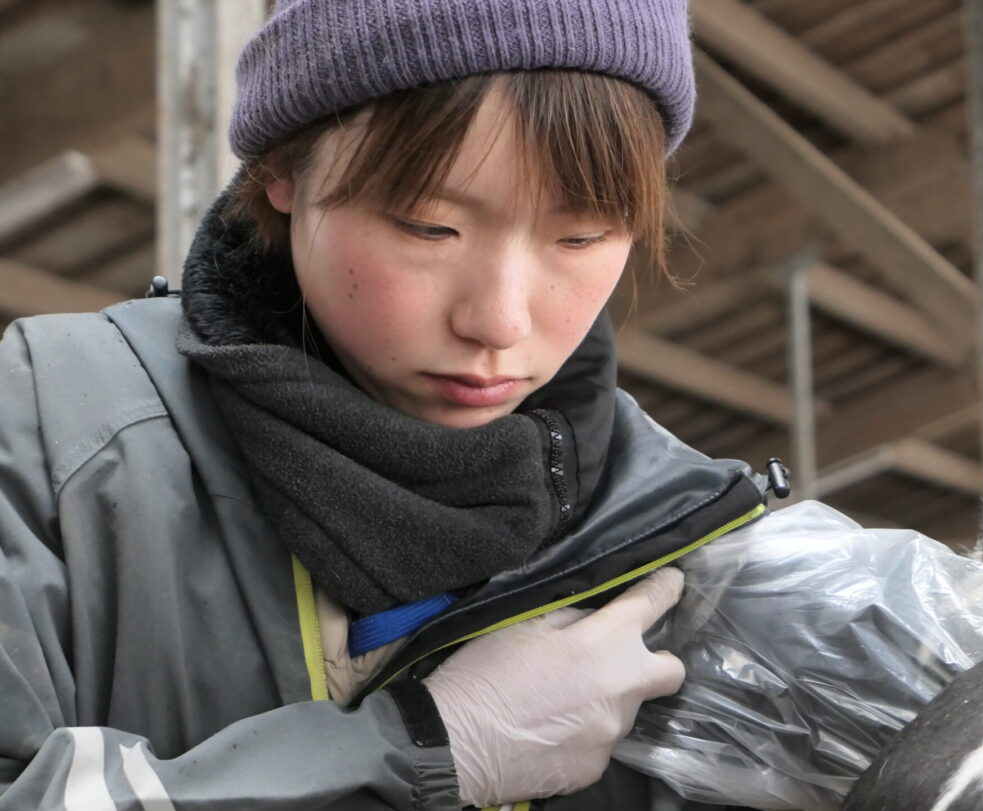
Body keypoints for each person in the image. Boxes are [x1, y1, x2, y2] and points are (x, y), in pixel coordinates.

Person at [0, 1, 775, 808]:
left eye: (581, 238)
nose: (499, 321)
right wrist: (418, 751)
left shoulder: (680, 532)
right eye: (429, 226)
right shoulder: (59, 425)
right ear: (284, 171)